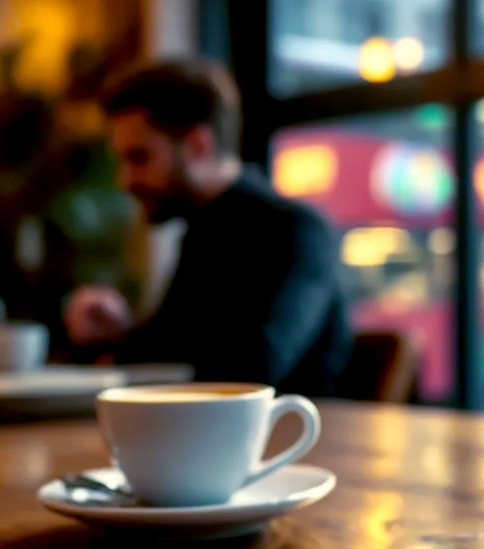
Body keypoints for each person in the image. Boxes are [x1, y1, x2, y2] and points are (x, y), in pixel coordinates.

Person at [64, 60, 351, 394]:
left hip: (293, 441)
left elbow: (246, 370)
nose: (124, 180)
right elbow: (173, 351)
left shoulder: (296, 231)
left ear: (199, 145)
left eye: (139, 158)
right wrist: (117, 332)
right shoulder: (202, 231)